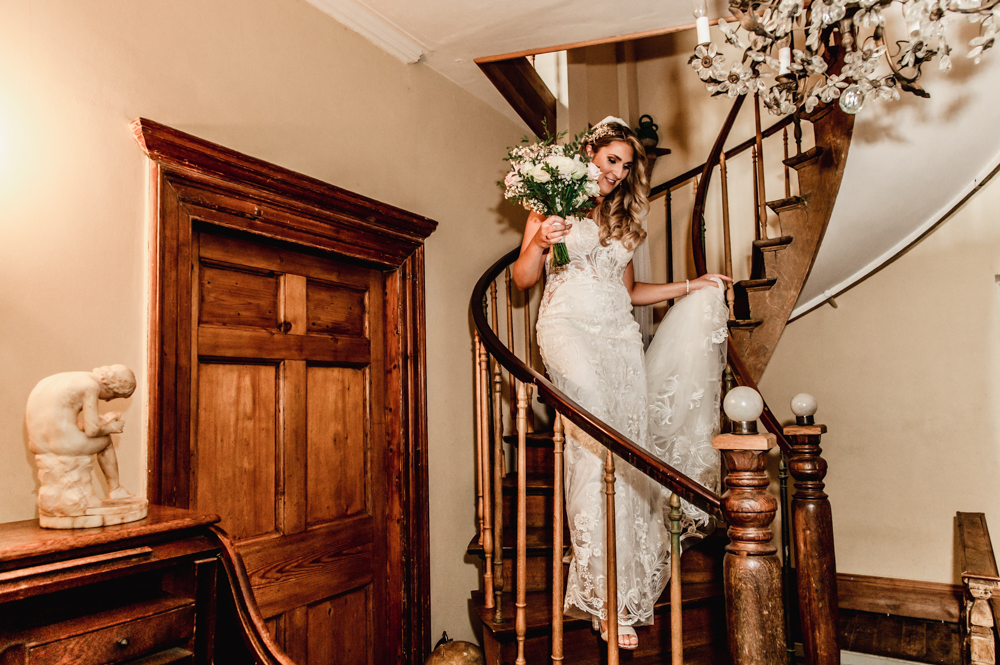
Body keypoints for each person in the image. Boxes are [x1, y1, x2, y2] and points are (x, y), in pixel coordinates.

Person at [511, 117, 731, 649]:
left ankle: (624, 586)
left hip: (619, 337)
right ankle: (600, 598)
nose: (617, 173)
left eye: (627, 166)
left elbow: (628, 291)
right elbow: (521, 279)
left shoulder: (627, 218)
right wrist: (541, 240)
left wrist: (690, 285)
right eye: (612, 160)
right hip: (567, 328)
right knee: (593, 445)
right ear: (589, 153)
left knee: (626, 452)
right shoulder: (551, 199)